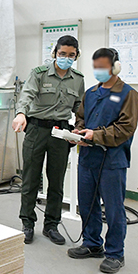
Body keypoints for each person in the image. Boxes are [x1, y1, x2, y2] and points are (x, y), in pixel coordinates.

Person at [68, 48, 138, 274]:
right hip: (88, 158)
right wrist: (77, 133)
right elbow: (81, 118)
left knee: (113, 209)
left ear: (115, 67)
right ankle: (92, 244)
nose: (99, 71)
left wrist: (95, 135)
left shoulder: (128, 94)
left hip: (112, 160)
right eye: (96, 66)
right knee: (87, 204)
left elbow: (126, 128)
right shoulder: (90, 93)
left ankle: (115, 253)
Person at [12, 35, 84, 245]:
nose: (66, 58)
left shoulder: (78, 79)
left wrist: (80, 128)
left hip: (60, 132)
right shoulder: (39, 74)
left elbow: (79, 107)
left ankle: (51, 225)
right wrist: (21, 114)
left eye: (71, 55)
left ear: (76, 56)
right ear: (55, 53)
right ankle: (27, 223)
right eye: (62, 54)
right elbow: (27, 95)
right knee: (31, 179)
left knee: (56, 181)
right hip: (36, 129)